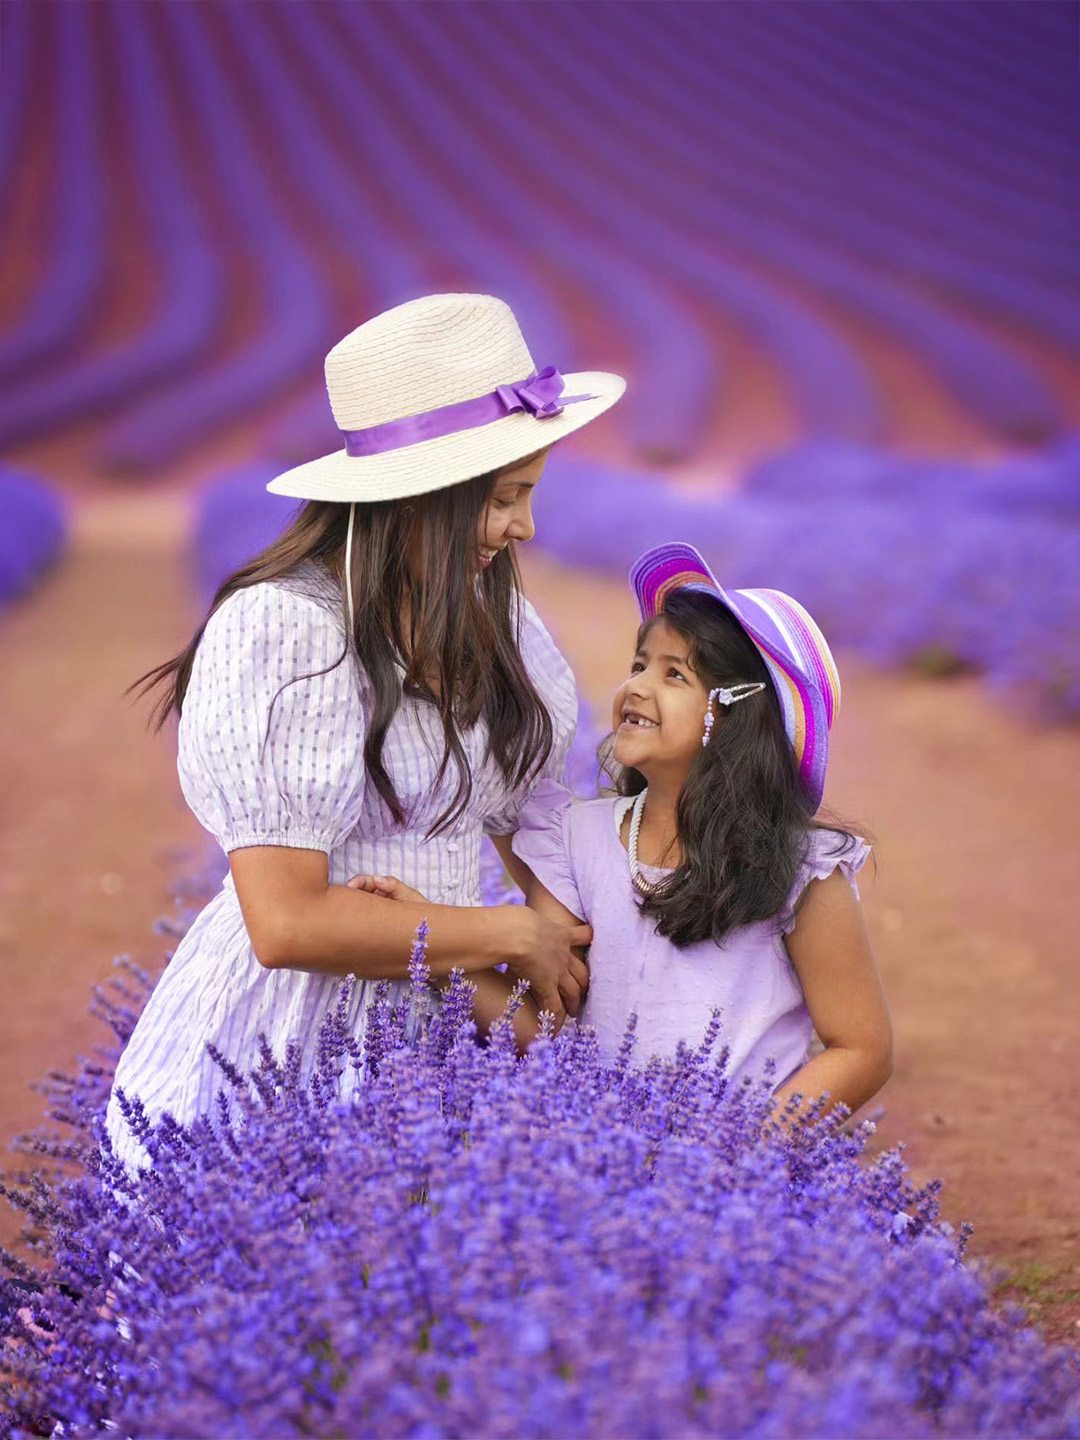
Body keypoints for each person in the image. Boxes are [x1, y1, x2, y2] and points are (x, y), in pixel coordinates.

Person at [104, 292, 625, 1172]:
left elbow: (529, 822)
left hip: (460, 1013)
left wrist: (560, 967)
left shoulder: (499, 621)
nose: (525, 527)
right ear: (424, 498)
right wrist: (503, 938)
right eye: (504, 499)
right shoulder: (287, 630)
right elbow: (286, 926)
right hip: (298, 1039)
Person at [356, 541, 893, 1130]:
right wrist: (433, 945)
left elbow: (860, 1047)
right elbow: (546, 1026)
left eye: (674, 675)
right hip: (602, 1163)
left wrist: (747, 1155)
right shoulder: (575, 838)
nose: (636, 687)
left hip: (727, 1176)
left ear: (737, 716)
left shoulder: (798, 868)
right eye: (639, 665)